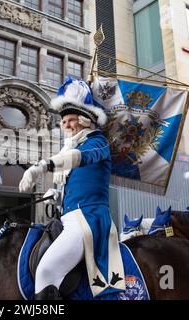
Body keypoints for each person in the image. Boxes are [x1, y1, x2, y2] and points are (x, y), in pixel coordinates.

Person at [19, 77, 125, 299]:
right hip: (68, 218)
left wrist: (42, 166)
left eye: (69, 120)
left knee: (46, 271)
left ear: (85, 120)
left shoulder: (97, 142)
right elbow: (75, 186)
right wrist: (56, 195)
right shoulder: (74, 146)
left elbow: (80, 158)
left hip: (88, 218)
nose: (65, 126)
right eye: (63, 121)